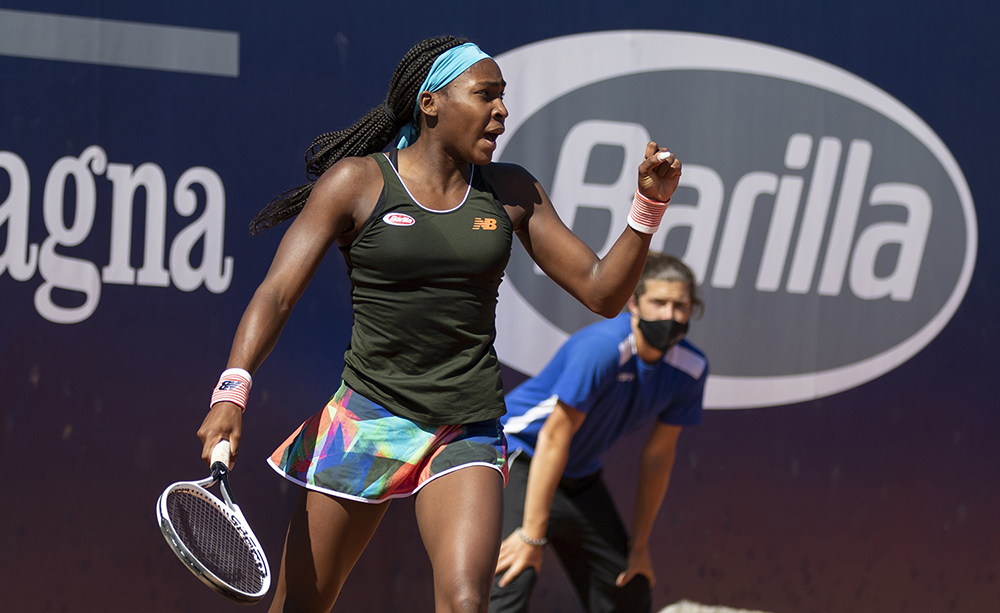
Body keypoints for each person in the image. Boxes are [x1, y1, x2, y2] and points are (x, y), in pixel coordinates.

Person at [196, 35, 682, 613]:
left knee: (465, 602)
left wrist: (647, 207)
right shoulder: (355, 183)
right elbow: (275, 295)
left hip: (466, 425)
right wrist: (233, 389)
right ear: (431, 102)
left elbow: (603, 292)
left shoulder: (512, 192)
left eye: (504, 97)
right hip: (368, 417)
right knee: (301, 605)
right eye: (486, 95)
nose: (502, 110)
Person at [491, 253, 707, 613]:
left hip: (578, 474)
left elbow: (658, 457)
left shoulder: (691, 368)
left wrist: (639, 547)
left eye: (679, 305)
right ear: (635, 305)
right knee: (513, 573)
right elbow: (554, 437)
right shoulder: (603, 348)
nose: (669, 315)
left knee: (628, 584)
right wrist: (532, 534)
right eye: (658, 302)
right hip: (518, 453)